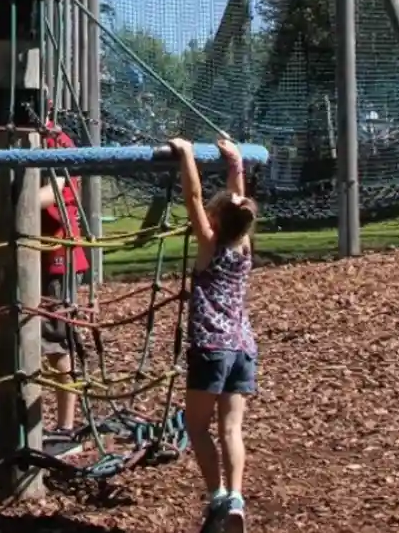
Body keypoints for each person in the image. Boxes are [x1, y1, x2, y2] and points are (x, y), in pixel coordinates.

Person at [171, 135, 257, 533]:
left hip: (210, 348)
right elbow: (234, 204)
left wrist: (186, 154)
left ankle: (217, 495)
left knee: (195, 427)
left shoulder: (208, 246)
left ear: (216, 221)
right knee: (231, 429)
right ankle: (237, 497)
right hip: (242, 348)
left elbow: (191, 195)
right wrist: (235, 164)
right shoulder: (243, 246)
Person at [39, 175, 91, 442]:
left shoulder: (52, 140)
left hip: (58, 261)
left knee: (55, 342)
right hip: (39, 257)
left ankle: (65, 426)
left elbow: (53, 189)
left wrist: (12, 199)